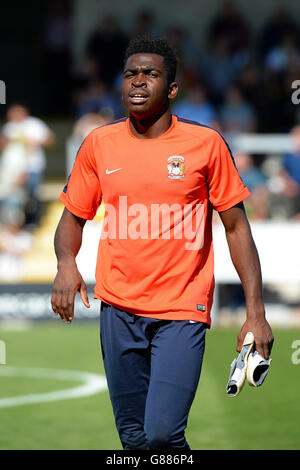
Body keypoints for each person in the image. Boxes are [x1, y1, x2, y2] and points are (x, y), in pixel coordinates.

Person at [51, 37, 274, 450]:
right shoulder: (100, 144)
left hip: (181, 310)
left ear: (171, 89)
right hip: (117, 308)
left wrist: (255, 313)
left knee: (162, 434)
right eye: (131, 73)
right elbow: (72, 217)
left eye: (151, 74)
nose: (138, 81)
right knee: (135, 441)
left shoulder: (205, 145)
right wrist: (67, 264)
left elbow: (237, 229)